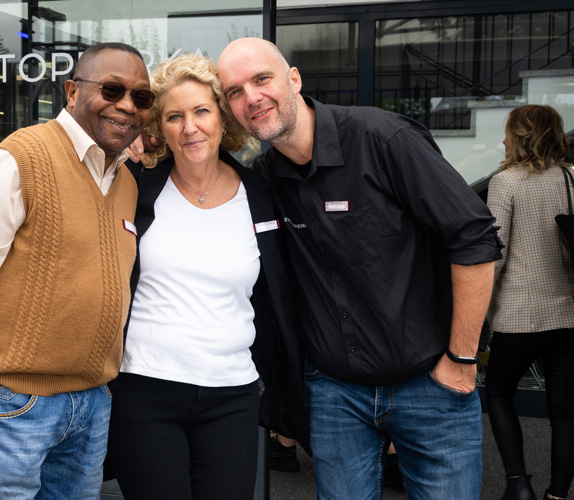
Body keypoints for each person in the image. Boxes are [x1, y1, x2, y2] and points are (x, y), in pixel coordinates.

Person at [213, 37, 503, 500]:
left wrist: (462, 360)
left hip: (431, 384)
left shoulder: (382, 139)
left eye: (261, 79)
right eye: (234, 91)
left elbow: (473, 236)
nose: (251, 97)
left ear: (294, 79)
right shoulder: (265, 180)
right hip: (334, 395)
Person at [0, 42, 153, 499]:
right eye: (111, 90)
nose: (127, 105)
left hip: (91, 404)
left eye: (141, 97)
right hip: (12, 405)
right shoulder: (23, 157)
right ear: (72, 92)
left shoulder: (125, 181)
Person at [107, 53, 307, 500]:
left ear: (222, 118)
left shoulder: (261, 195)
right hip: (146, 391)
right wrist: (125, 147)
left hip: (232, 394)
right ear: (159, 128)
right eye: (174, 116)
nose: (190, 127)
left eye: (201, 111)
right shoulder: (136, 186)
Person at [485, 104, 574, 500]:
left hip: (519, 316)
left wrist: (476, 311)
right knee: (565, 412)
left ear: (521, 137)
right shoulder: (571, 178)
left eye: (508, 132)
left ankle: (519, 484)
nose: (503, 140)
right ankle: (558, 495)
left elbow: (494, 254)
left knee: (498, 392)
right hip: (568, 313)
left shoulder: (506, 182)